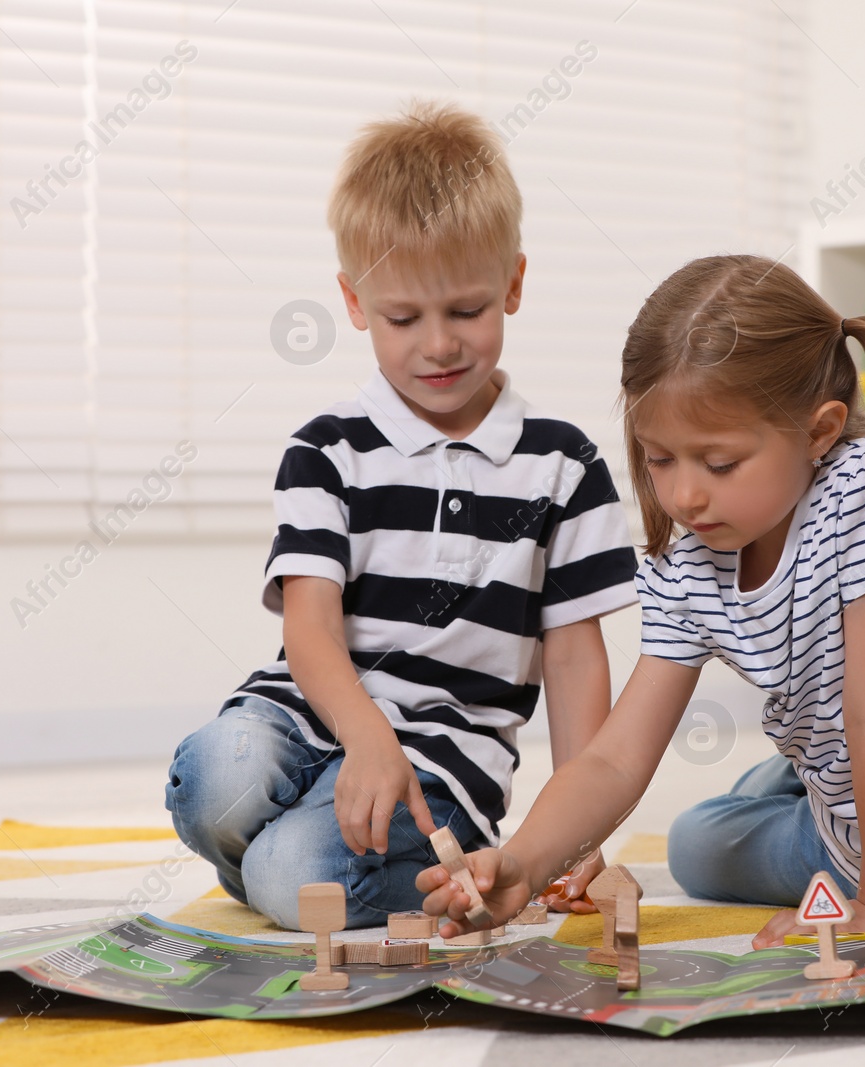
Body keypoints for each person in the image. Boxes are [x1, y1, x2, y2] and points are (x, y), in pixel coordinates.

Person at [419, 254, 865, 945]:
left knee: (707, 837)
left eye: (719, 463)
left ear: (819, 431)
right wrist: (523, 859)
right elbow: (615, 758)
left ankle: (794, 782)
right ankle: (793, 776)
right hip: (853, 794)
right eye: (660, 458)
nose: (686, 494)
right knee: (693, 843)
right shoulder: (692, 558)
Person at [165, 102, 638, 929]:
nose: (439, 345)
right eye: (402, 318)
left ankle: (299, 866)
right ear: (354, 302)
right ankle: (303, 845)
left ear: (514, 285)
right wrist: (365, 736)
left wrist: (576, 831)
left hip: (442, 767)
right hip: (315, 712)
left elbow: (572, 662)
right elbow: (310, 627)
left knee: (294, 874)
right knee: (214, 776)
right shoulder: (326, 450)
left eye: (466, 310)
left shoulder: (564, 467)